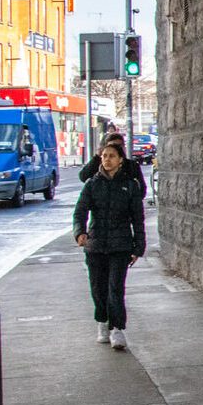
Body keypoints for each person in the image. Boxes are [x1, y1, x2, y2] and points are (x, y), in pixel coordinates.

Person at [73, 140, 146, 351]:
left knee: (115, 288)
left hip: (120, 245)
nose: (107, 160)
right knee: (98, 288)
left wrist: (138, 247)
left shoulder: (129, 186)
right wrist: (80, 232)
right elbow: (80, 211)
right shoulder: (92, 184)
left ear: (120, 160)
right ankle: (102, 321)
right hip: (95, 246)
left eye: (111, 156)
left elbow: (137, 218)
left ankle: (117, 328)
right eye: (104, 156)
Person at [79, 132, 147, 197]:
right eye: (112, 146)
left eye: (118, 146)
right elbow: (84, 176)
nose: (115, 149)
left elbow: (141, 189)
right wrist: (97, 157)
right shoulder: (101, 165)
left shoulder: (132, 166)